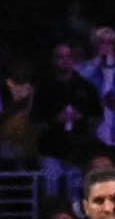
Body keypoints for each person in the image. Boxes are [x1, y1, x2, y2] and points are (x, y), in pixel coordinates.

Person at [34, 43, 104, 198]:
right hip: (51, 149)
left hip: (79, 149)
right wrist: (55, 119)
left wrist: (82, 117)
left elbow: (97, 116)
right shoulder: (44, 88)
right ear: (53, 60)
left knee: (76, 193)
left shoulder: (87, 87)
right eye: (60, 56)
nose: (65, 60)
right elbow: (36, 120)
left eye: (68, 57)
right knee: (51, 189)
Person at [79, 27, 115, 153]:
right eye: (102, 42)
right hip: (91, 132)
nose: (106, 46)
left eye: (110, 43)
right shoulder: (82, 71)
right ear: (94, 45)